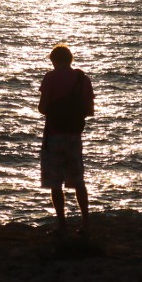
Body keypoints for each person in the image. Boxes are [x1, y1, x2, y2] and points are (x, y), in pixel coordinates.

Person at [38, 44, 94, 235]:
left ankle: (62, 225)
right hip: (74, 135)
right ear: (70, 60)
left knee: (55, 182)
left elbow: (42, 108)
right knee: (79, 181)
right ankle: (85, 223)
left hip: (53, 134)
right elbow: (89, 111)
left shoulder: (50, 77)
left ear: (54, 60)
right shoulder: (83, 79)